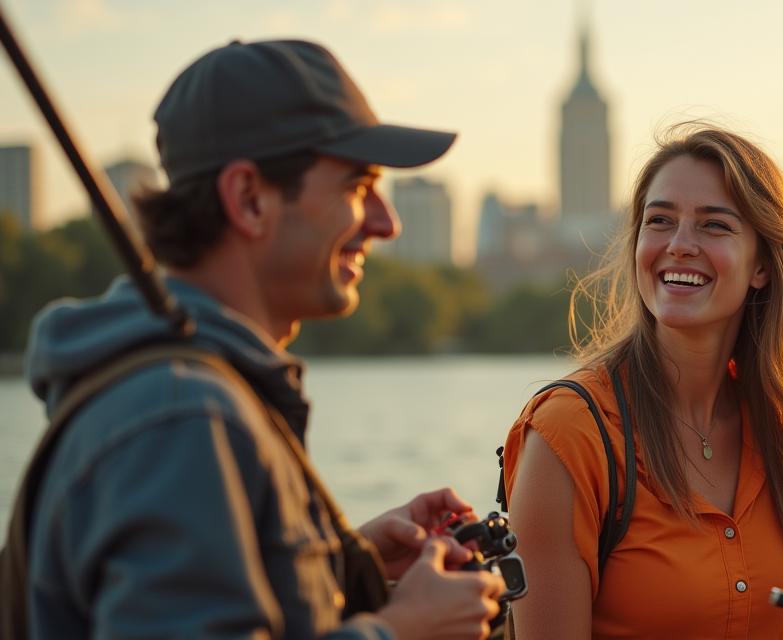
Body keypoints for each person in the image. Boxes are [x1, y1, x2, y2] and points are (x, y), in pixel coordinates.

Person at [17, 40, 504, 638]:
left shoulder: (193, 397)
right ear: (250, 199)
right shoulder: (182, 417)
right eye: (357, 187)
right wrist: (400, 632)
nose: (385, 222)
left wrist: (340, 564)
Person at [500, 125, 783, 639]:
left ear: (762, 265)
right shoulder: (570, 435)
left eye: (714, 226)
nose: (679, 245)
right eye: (660, 221)